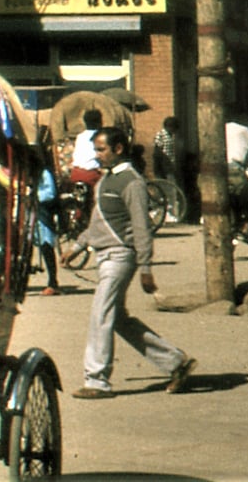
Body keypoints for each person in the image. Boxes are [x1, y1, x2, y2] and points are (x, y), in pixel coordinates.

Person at [65, 127, 195, 399]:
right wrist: (77, 247)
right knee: (117, 319)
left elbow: (141, 227)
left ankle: (96, 380)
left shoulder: (131, 182)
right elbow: (98, 223)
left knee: (101, 314)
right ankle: (175, 362)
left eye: (102, 150)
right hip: (105, 256)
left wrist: (146, 268)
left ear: (118, 149)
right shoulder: (106, 181)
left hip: (120, 256)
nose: (98, 156)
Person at [33, 132, 62, 297]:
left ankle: (53, 281)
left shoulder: (44, 173)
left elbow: (49, 194)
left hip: (41, 213)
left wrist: (33, 196)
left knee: (46, 246)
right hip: (28, 213)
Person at [226, 117, 248, 244]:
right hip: (234, 168)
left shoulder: (220, 129)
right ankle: (246, 226)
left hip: (213, 171)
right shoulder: (243, 130)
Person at [151, 116, 182, 223]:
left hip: (169, 166)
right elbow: (157, 152)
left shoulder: (171, 136)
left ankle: (170, 213)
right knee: (164, 190)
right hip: (163, 167)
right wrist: (163, 166)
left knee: (171, 191)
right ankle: (162, 213)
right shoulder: (161, 135)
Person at [68, 109, 104, 187]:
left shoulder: (80, 136)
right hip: (91, 176)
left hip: (75, 174)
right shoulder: (100, 137)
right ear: (99, 122)